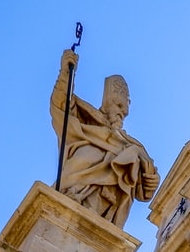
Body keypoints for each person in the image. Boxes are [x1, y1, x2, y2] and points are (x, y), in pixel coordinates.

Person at [51, 50, 159, 225]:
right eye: (118, 106)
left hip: (109, 206)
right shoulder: (87, 118)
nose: (122, 113)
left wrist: (152, 180)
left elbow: (144, 188)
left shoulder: (132, 145)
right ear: (107, 102)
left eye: (125, 111)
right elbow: (61, 106)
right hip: (76, 186)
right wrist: (66, 74)